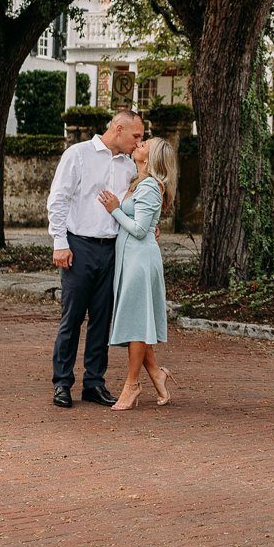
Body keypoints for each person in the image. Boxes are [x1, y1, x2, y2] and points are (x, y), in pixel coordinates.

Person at [46, 109, 145, 408]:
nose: (139, 142)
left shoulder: (129, 166)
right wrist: (60, 243)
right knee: (72, 318)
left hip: (113, 248)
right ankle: (62, 383)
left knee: (102, 319)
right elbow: (58, 198)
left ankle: (94, 382)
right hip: (79, 245)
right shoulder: (78, 155)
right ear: (118, 129)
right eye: (136, 136)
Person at [99, 136, 176, 410]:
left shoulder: (151, 187)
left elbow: (141, 229)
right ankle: (157, 374)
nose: (139, 144)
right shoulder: (137, 182)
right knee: (137, 323)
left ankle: (131, 386)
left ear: (151, 157)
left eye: (145, 144)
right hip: (130, 257)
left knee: (136, 325)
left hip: (140, 261)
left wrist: (114, 210)